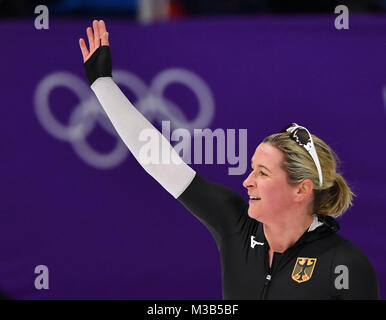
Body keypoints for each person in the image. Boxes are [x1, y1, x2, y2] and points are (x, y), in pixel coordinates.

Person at [78, 20, 379, 299]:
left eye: (263, 172)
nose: (247, 181)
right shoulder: (234, 226)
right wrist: (103, 84)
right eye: (252, 170)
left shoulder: (345, 266)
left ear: (301, 189)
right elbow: (159, 160)